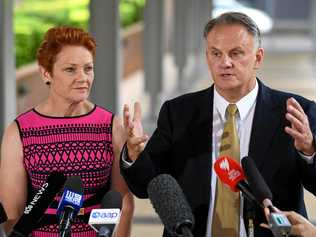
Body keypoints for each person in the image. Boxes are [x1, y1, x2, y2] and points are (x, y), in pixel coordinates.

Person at [120, 11, 316, 237]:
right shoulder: (178, 112)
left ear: (258, 58)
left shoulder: (295, 112)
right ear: (207, 57)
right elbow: (148, 186)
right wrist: (134, 156)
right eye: (216, 53)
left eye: (236, 53)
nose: (225, 62)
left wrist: (309, 151)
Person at [0, 26, 134, 237]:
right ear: (46, 73)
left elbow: (121, 201)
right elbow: (12, 214)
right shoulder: (18, 132)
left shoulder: (112, 126)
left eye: (88, 69)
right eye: (71, 69)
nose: (83, 78)